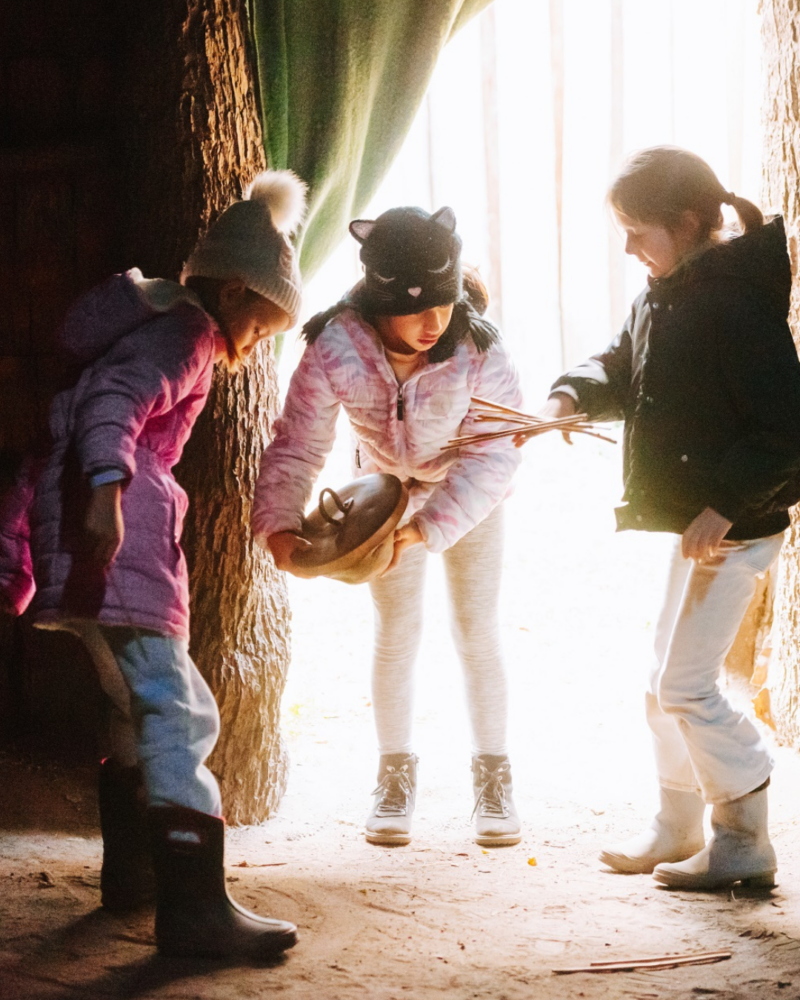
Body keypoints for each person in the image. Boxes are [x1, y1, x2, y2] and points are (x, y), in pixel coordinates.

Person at [0, 170, 306, 957]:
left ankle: (132, 875)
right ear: (237, 293)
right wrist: (110, 489)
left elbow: (70, 420)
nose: (261, 338)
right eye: (266, 322)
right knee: (179, 709)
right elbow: (114, 401)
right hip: (118, 542)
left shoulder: (152, 321)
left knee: (129, 706)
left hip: (83, 545)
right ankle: (195, 909)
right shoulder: (188, 332)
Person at [537, 146, 800, 890]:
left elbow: (786, 427)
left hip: (736, 531)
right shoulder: (668, 287)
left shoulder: (735, 303)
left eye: (636, 231)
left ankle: (744, 838)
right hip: (701, 524)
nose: (627, 248)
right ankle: (675, 825)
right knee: (661, 685)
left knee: (687, 687)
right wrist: (570, 395)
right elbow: (623, 364)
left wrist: (725, 504)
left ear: (684, 224)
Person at [252, 205, 524, 847]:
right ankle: (394, 777)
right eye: (416, 307)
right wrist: (278, 523)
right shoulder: (335, 347)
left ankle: (494, 778)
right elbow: (297, 442)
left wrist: (432, 529)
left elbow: (497, 450)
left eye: (446, 302)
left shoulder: (479, 350)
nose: (435, 322)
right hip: (382, 499)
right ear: (377, 298)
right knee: (396, 631)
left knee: (475, 630)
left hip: (469, 495)